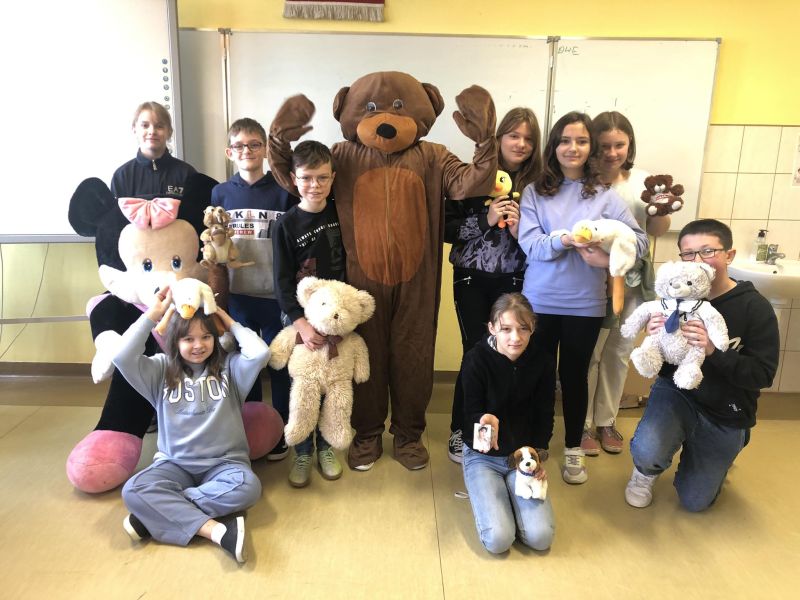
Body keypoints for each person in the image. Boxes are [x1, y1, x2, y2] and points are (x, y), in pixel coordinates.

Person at [517, 111, 649, 485]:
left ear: (591, 147)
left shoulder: (604, 195)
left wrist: (606, 259)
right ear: (553, 146)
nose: (572, 148)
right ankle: (536, 442)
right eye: (564, 140)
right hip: (539, 300)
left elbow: (640, 242)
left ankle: (573, 447)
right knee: (538, 374)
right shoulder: (534, 192)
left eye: (581, 141)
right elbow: (530, 245)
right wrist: (564, 239)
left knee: (574, 377)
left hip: (585, 305)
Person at [625, 219, 779, 511]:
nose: (696, 261)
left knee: (695, 501)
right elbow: (665, 365)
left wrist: (712, 350)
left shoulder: (754, 307)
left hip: (726, 408)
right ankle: (644, 473)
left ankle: (724, 448)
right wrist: (657, 336)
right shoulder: (674, 297)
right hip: (678, 393)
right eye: (688, 253)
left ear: (729, 255)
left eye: (708, 251)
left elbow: (762, 375)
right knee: (648, 449)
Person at [114, 287, 272, 564]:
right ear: (174, 340)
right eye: (188, 338)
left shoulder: (231, 368)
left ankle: (157, 514)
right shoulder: (159, 370)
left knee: (249, 486)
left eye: (206, 337)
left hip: (225, 465)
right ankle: (217, 531)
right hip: (174, 465)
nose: (198, 345)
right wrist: (152, 316)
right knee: (133, 489)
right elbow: (122, 357)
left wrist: (225, 319)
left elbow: (260, 353)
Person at [444, 107, 543, 463]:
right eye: (513, 135)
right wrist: (485, 219)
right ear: (499, 138)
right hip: (471, 277)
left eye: (528, 138)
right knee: (475, 352)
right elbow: (447, 230)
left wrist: (520, 230)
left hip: (514, 279)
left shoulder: (539, 186)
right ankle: (463, 428)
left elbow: (543, 239)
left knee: (509, 353)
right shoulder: (472, 176)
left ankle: (504, 428)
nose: (521, 144)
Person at [582, 111, 672, 456]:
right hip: (592, 280)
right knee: (590, 352)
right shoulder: (583, 183)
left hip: (633, 280)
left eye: (619, 145)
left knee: (619, 352)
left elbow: (656, 231)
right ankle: (583, 424)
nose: (612, 152)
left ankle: (606, 421)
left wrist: (660, 210)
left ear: (629, 144)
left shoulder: (644, 182)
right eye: (604, 145)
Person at [211, 117, 298, 461]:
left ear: (264, 149)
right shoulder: (220, 193)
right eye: (239, 145)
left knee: (278, 364)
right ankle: (252, 429)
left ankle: (280, 429)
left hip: (274, 295)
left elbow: (292, 245)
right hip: (238, 297)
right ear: (229, 152)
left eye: (254, 144)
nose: (246, 151)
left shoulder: (283, 190)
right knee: (245, 364)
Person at [272, 140, 346, 488]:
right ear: (293, 178)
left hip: (337, 318)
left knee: (332, 387)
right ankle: (302, 452)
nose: (314, 185)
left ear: (333, 178)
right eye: (306, 178)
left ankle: (326, 448)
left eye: (322, 177)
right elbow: (281, 282)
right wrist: (300, 324)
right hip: (301, 320)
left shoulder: (342, 214)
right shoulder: (285, 225)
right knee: (303, 390)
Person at [461, 293, 555, 554]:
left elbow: (545, 413)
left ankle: (509, 499)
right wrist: (482, 419)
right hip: (483, 458)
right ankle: (490, 494)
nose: (516, 338)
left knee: (541, 537)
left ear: (533, 327)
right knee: (499, 540)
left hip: (522, 456)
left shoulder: (543, 361)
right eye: (506, 329)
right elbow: (466, 414)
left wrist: (538, 456)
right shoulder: (475, 359)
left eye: (523, 328)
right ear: (492, 328)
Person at [111, 101, 196, 200]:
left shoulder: (187, 174)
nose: (152, 131)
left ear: (169, 131)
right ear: (134, 129)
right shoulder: (122, 176)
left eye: (159, 126)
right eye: (145, 125)